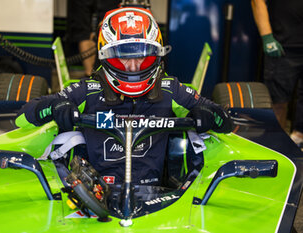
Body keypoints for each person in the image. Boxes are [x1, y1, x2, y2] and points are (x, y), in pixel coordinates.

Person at [16, 7, 232, 185]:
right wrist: (54, 107)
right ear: (104, 56)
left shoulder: (170, 89)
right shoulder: (88, 90)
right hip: (94, 195)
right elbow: (22, 118)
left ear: (157, 55)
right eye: (123, 57)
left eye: (143, 56)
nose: (133, 66)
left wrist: (209, 114)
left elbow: (227, 122)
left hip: (159, 197)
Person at [251, 0, 303, 148]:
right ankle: (276, 146)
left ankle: (299, 136)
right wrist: (267, 37)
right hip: (283, 45)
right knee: (278, 101)